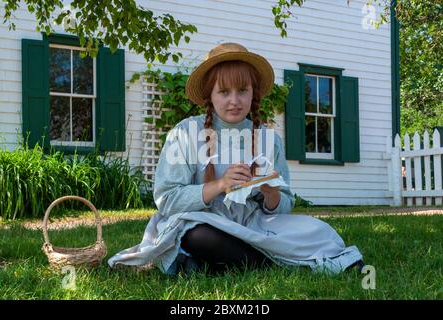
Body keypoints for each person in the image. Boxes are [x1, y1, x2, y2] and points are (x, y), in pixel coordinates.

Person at [108, 43, 364, 276]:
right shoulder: (185, 133)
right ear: (210, 95)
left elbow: (285, 205)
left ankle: (216, 265)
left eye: (243, 90)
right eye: (224, 92)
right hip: (203, 222)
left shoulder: (267, 138)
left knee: (317, 230)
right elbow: (167, 200)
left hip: (253, 224)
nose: (234, 101)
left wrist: (271, 194)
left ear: (253, 93)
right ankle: (273, 262)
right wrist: (220, 185)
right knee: (198, 236)